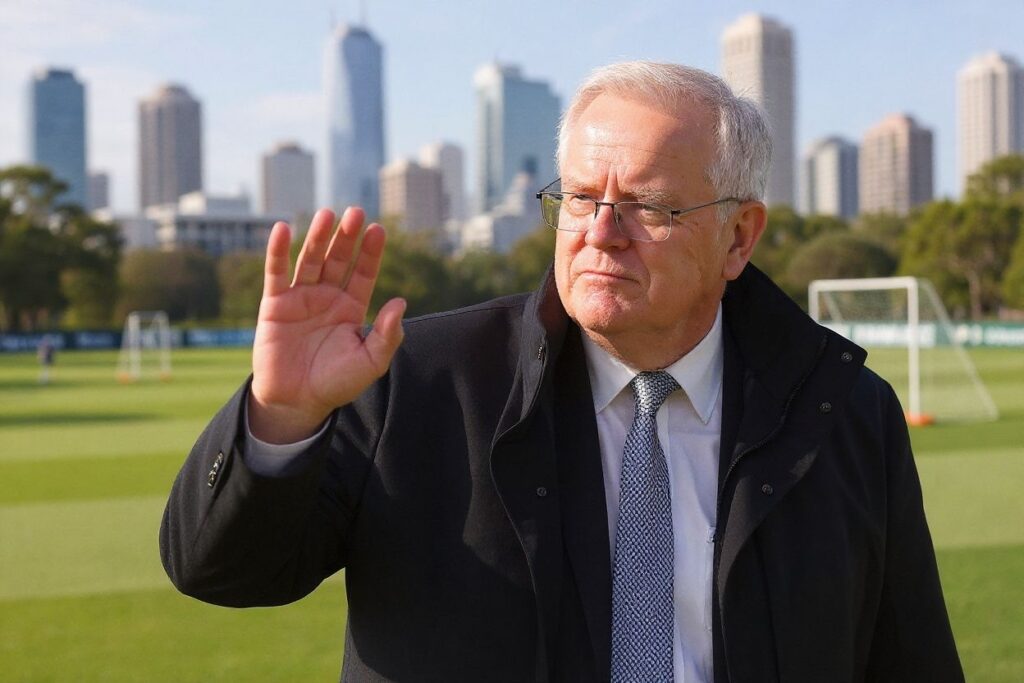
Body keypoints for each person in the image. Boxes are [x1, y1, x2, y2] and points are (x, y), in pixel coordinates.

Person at [160, 62, 963, 682]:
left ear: (738, 236)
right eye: (580, 197)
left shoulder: (845, 412)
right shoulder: (417, 382)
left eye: (648, 206)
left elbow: (910, 658)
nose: (600, 232)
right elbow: (222, 570)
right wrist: (281, 416)